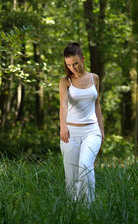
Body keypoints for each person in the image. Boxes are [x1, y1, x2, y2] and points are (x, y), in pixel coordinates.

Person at [59, 42, 105, 204]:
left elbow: (97, 104)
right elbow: (63, 104)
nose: (73, 67)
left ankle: (88, 208)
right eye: (69, 65)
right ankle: (73, 208)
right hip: (70, 133)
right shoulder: (65, 81)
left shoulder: (94, 78)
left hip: (92, 132)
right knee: (71, 174)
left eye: (76, 63)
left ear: (83, 59)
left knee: (85, 167)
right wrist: (63, 126)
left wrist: (101, 129)